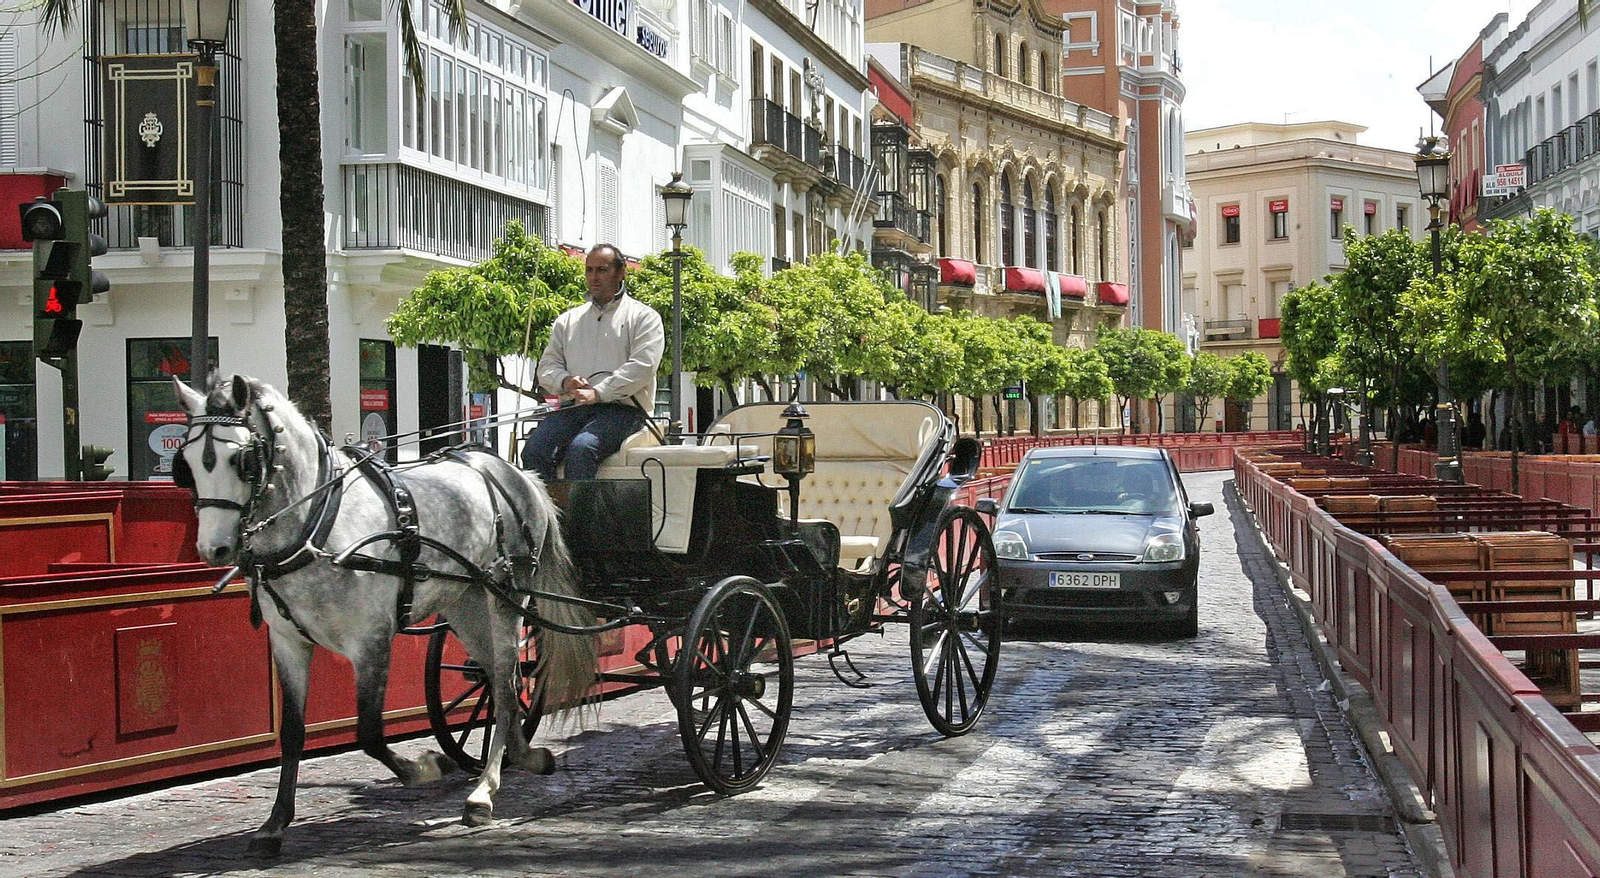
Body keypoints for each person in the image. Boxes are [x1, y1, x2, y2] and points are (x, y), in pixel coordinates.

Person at [520, 244, 665, 481]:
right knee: (534, 451)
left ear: (620, 273)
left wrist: (598, 393)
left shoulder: (644, 317)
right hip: (573, 408)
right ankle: (549, 506)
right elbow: (547, 366)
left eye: (602, 270)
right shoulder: (568, 320)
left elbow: (643, 367)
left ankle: (581, 507)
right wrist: (565, 381)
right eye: (589, 270)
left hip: (623, 411)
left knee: (582, 449)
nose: (594, 277)